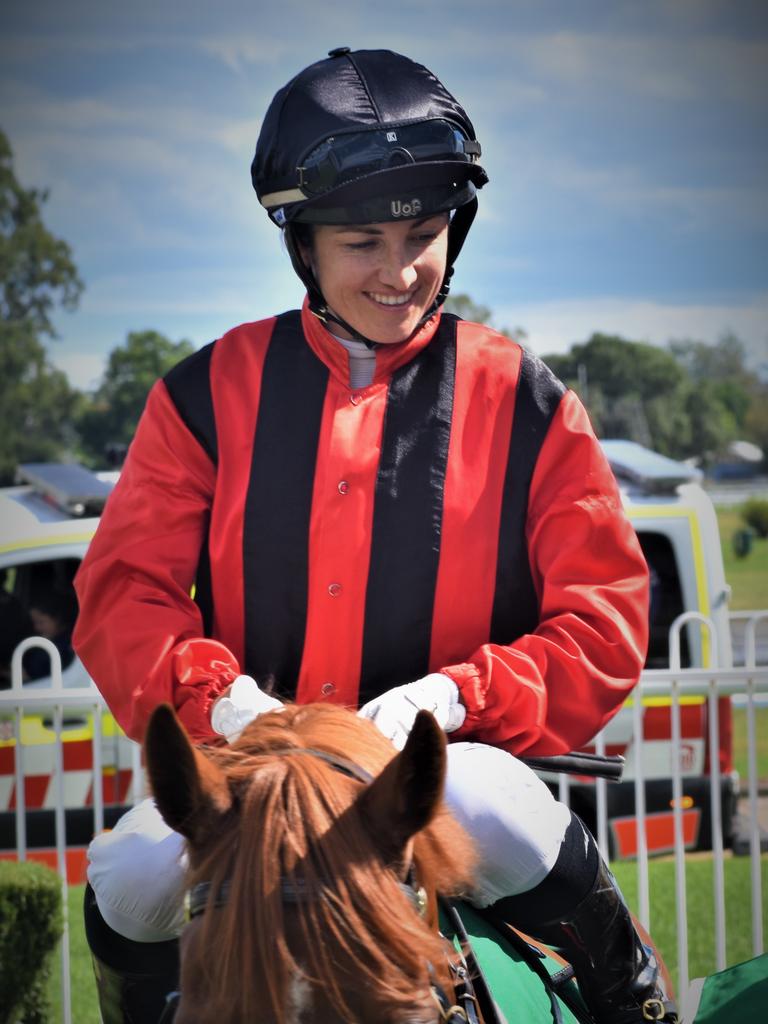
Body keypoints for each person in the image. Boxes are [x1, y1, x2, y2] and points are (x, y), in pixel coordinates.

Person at [73, 47, 677, 1024]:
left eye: (424, 235)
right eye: (362, 241)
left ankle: (636, 1001)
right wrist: (221, 701)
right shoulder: (201, 393)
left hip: (437, 768)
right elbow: (122, 593)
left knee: (501, 810)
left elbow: (604, 618)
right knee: (133, 867)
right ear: (302, 244)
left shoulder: (526, 399)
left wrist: (453, 693)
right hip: (251, 772)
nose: (398, 273)